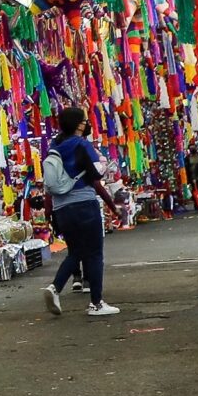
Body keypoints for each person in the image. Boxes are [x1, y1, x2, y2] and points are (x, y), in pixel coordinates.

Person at [41, 107, 120, 318]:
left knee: (76, 252)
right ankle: (96, 303)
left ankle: (55, 287)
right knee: (94, 253)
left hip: (62, 209)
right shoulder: (82, 144)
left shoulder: (54, 147)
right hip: (84, 204)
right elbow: (96, 173)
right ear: (78, 124)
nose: (87, 123)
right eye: (85, 120)